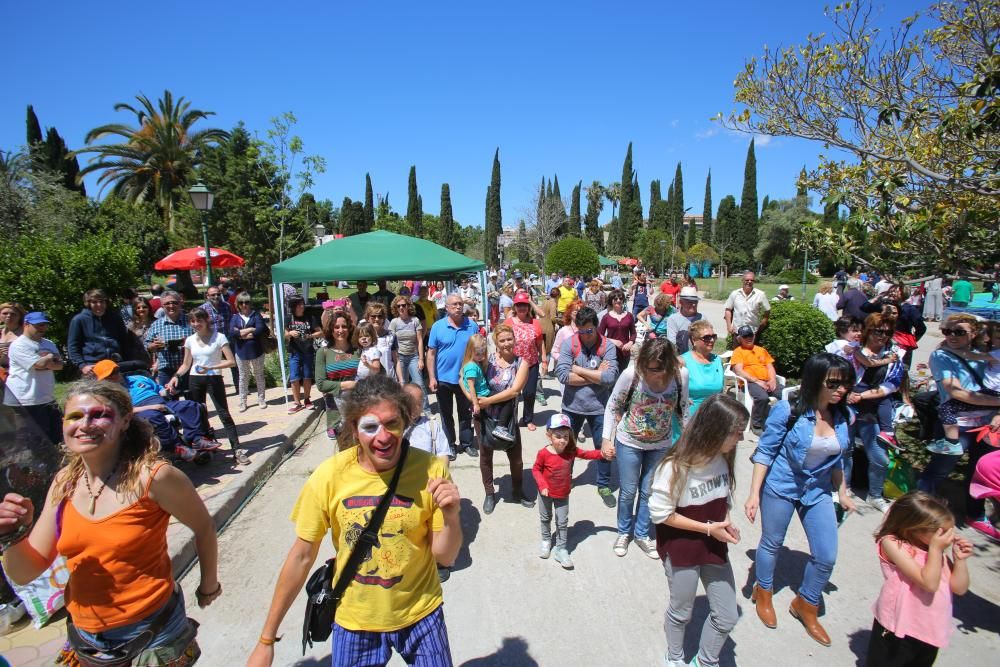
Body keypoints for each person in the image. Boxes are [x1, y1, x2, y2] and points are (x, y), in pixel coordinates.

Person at [247, 375, 462, 667]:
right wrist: (266, 640)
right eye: (370, 427)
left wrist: (451, 515)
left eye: (392, 424)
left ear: (405, 422)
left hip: (420, 613)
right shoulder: (329, 476)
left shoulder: (431, 469)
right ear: (353, 429)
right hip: (355, 621)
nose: (383, 437)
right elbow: (301, 556)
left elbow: (445, 556)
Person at [0, 380, 219, 665]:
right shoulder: (63, 482)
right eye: (75, 416)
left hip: (152, 632)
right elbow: (25, 572)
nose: (85, 424)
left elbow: (204, 527)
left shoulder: (153, 478)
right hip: (85, 636)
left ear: (126, 420)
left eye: (99, 415)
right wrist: (12, 535)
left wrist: (208, 585)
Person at [744, 352, 858, 647]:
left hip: (817, 490)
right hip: (782, 484)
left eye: (845, 383)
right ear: (816, 380)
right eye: (834, 383)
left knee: (826, 555)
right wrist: (754, 493)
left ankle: (806, 604)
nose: (841, 390)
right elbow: (766, 452)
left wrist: (842, 492)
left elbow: (837, 458)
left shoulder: (845, 416)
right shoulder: (788, 410)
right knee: (772, 542)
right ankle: (764, 591)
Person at [649, 394, 748, 667]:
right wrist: (707, 529)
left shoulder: (722, 459)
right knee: (681, 613)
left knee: (727, 615)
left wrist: (726, 522)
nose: (741, 440)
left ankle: (705, 662)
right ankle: (675, 657)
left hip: (714, 545)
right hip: (681, 549)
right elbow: (660, 513)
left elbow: (722, 496)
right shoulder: (674, 467)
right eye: (737, 433)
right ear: (715, 431)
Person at [602, 337, 689, 559]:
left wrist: (688, 442)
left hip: (660, 444)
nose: (653, 374)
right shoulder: (632, 374)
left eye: (658, 369)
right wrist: (606, 439)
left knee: (649, 491)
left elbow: (682, 409)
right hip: (629, 441)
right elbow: (613, 406)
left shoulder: (680, 377)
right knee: (628, 491)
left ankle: (641, 534)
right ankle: (623, 531)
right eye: (648, 368)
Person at [918, 314, 1000, 540]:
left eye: (959, 332)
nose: (952, 336)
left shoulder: (986, 355)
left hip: (987, 424)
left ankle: (976, 514)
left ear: (974, 333)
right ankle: (919, 512)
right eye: (947, 331)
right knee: (939, 470)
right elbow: (957, 392)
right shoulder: (941, 356)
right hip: (957, 424)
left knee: (981, 473)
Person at [865, 492, 972, 666]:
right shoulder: (892, 543)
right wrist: (936, 550)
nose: (950, 537)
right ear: (914, 527)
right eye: (944, 532)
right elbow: (928, 583)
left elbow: (959, 588)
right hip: (897, 625)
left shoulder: (934, 551)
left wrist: (960, 560)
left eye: (951, 531)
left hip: (929, 628)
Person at [94, 359, 219, 461]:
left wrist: (169, 390)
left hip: (162, 402)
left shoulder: (138, 378)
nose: (114, 376)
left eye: (115, 371)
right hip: (141, 409)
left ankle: (196, 439)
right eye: (109, 376)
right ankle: (177, 447)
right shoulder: (110, 393)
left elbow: (160, 391)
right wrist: (151, 407)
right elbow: (124, 412)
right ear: (103, 380)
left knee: (190, 406)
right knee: (153, 416)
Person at [168, 308, 248, 466]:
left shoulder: (219, 337)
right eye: (193, 321)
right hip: (195, 379)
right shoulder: (190, 340)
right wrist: (175, 377)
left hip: (213, 378)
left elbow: (231, 361)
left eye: (199, 320)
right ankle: (206, 447)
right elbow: (186, 364)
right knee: (199, 414)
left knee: (223, 413)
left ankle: (237, 449)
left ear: (206, 320)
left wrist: (210, 368)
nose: (196, 324)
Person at [556, 307, 619, 507]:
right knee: (567, 446)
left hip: (600, 407)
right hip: (572, 406)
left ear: (596, 327)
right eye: (581, 331)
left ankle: (603, 484)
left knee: (603, 447)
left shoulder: (607, 346)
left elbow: (609, 378)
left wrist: (578, 369)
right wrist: (594, 374)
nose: (585, 336)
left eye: (589, 331)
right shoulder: (570, 343)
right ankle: (566, 478)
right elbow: (563, 376)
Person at [845, 313, 905, 510]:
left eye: (887, 332)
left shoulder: (894, 355)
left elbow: (892, 384)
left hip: (872, 409)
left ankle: (875, 495)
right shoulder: (854, 350)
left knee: (879, 457)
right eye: (878, 331)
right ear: (868, 330)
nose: (882, 336)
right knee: (845, 450)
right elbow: (837, 373)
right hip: (848, 406)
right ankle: (844, 489)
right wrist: (845, 394)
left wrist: (862, 396)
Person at [533, 413, 606, 569]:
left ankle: (561, 549)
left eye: (565, 436)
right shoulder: (543, 453)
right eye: (558, 436)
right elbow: (536, 470)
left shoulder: (571, 450)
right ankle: (546, 541)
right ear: (549, 435)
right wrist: (542, 485)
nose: (562, 440)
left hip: (562, 494)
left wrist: (602, 454)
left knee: (562, 522)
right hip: (545, 493)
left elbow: (587, 454)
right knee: (545, 517)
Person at [475, 325, 535, 514]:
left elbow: (515, 390)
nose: (507, 343)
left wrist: (488, 401)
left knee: (516, 459)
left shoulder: (521, 362)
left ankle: (517, 491)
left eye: (510, 339)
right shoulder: (487, 360)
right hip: (484, 417)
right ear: (496, 343)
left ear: (515, 340)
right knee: (485, 457)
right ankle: (490, 493)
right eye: (502, 340)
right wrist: (474, 400)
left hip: (508, 419)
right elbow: (466, 375)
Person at [428, 293, 480, 458]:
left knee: (465, 413)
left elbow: (478, 350)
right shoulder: (437, 326)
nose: (458, 307)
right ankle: (450, 444)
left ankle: (466, 443)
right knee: (446, 414)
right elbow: (431, 353)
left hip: (465, 378)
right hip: (443, 379)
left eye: (460, 304)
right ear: (447, 308)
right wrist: (431, 377)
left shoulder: (472, 326)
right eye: (454, 304)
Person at [2, 311, 64, 445]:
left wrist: (47, 362)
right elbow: (38, 364)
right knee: (31, 442)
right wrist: (48, 357)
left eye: (44, 325)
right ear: (26, 324)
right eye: (38, 325)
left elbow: (59, 366)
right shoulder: (19, 345)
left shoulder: (49, 343)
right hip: (25, 400)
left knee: (57, 437)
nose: (42, 328)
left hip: (47, 398)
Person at [315, 312, 361, 443]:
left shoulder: (358, 350)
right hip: (335, 415)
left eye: (344, 326)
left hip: (359, 409)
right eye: (336, 327)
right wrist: (347, 385)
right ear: (330, 329)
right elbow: (321, 384)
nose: (341, 330)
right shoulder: (323, 353)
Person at [504, 291, 547, 431]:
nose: (522, 308)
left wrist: (544, 360)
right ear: (515, 307)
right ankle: (510, 420)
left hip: (531, 363)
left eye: (525, 305)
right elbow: (500, 340)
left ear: (529, 307)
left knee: (529, 393)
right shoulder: (509, 322)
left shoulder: (535, 322)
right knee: (511, 394)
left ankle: (528, 418)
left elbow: (540, 343)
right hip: (513, 364)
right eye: (519, 305)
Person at [730, 325, 783, 435]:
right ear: (740, 339)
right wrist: (757, 381)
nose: (748, 338)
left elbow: (770, 367)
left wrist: (772, 379)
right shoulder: (738, 351)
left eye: (750, 335)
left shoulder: (761, 350)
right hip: (751, 382)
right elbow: (739, 371)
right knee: (762, 397)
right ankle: (757, 424)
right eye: (745, 336)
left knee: (788, 394)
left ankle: (783, 420)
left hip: (768, 381)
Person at [67, 288, 129, 375]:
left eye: (102, 301)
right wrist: (82, 365)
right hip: (93, 365)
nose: (99, 305)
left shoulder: (115, 318)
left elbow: (124, 341)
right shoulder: (79, 320)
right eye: (94, 302)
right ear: (88, 304)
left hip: (115, 364)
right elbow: (73, 346)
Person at [144, 290, 194, 396]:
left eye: (174, 302)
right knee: (170, 403)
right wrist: (152, 346)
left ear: (180, 303)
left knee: (193, 401)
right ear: (162, 305)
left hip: (189, 368)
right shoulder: (156, 325)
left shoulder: (191, 321)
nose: (171, 306)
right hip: (166, 369)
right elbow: (146, 345)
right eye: (167, 303)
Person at [230, 292, 268, 412]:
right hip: (241, 352)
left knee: (259, 375)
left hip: (256, 351)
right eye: (241, 302)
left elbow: (260, 329)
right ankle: (242, 401)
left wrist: (241, 333)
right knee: (243, 377)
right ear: (238, 304)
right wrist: (251, 329)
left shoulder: (256, 315)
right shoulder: (235, 317)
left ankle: (261, 399)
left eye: (246, 302)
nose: (244, 305)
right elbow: (232, 333)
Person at [285, 296, 322, 413]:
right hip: (294, 351)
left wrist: (309, 336)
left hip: (308, 350)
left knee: (307, 376)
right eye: (299, 304)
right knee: (294, 377)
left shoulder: (310, 317)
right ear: (293, 306)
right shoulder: (288, 318)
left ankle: (307, 400)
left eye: (302, 304)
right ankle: (297, 402)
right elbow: (283, 334)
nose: (302, 306)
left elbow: (320, 332)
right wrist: (290, 333)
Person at [681, 320, 724, 415]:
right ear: (694, 340)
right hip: (689, 417)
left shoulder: (717, 360)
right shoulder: (682, 361)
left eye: (713, 336)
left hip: (714, 416)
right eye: (707, 337)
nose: (712, 340)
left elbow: (721, 392)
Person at [390, 296, 426, 405]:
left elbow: (419, 341)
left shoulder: (415, 320)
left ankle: (425, 409)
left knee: (419, 383)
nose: (401, 307)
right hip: (400, 357)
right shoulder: (394, 322)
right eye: (398, 306)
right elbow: (391, 343)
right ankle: (405, 408)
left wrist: (421, 359)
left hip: (413, 356)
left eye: (403, 305)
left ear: (408, 306)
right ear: (395, 308)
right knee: (402, 384)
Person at [723, 272, 770, 342]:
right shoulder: (735, 294)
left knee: (751, 352)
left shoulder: (760, 294)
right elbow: (728, 309)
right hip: (737, 332)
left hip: (753, 332)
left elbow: (767, 309)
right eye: (747, 280)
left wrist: (764, 322)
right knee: (737, 352)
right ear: (742, 280)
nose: (749, 282)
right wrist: (729, 326)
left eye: (752, 280)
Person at [599, 289, 637, 368]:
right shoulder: (606, 317)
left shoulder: (629, 316)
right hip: (611, 352)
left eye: (620, 298)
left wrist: (630, 343)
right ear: (611, 301)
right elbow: (599, 335)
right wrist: (613, 341)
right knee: (612, 377)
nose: (618, 300)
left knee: (623, 376)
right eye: (615, 299)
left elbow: (633, 333)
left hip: (625, 352)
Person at [665, 286, 703, 354]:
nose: (693, 304)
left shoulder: (702, 318)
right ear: (681, 302)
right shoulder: (673, 319)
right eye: (689, 302)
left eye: (695, 301)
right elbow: (672, 344)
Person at [124, 296, 155, 369]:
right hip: (137, 359)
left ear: (149, 308)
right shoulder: (130, 326)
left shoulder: (156, 322)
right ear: (134, 309)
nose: (141, 309)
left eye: (144, 307)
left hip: (154, 359)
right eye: (138, 308)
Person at [0, 302, 26, 380]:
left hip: (18, 373)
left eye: (13, 314)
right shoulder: (0, 331)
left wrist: (14, 352)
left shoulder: (26, 334)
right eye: (5, 313)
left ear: (20, 316)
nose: (8, 316)